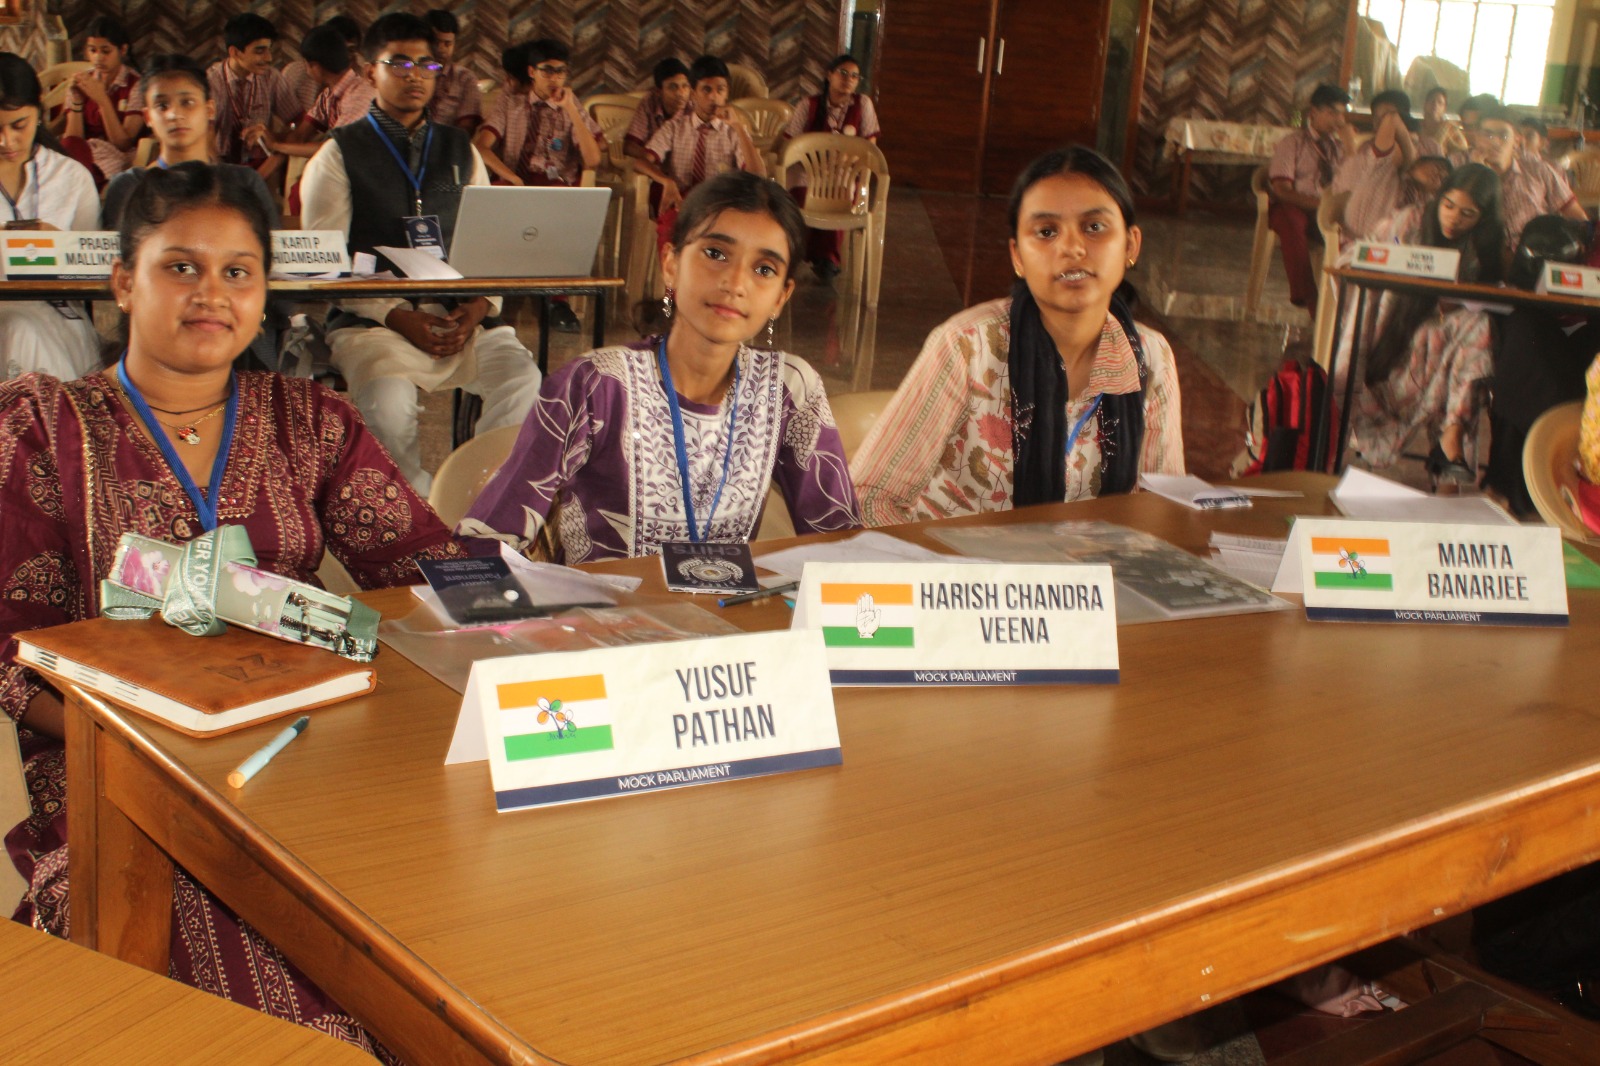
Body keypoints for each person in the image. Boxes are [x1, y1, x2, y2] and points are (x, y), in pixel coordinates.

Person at [0, 160, 465, 1056]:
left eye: (238, 271)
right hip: (123, 777)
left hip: (309, 760)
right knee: (285, 1003)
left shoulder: (308, 420)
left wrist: (535, 598)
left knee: (452, 936)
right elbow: (11, 648)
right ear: (122, 281)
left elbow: (421, 565)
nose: (211, 293)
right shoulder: (43, 428)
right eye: (180, 266)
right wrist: (155, 742)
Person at [460, 170, 861, 561]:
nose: (736, 283)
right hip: (599, 606)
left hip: (729, 606)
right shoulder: (596, 387)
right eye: (716, 254)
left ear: (781, 297)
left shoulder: (789, 390)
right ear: (671, 263)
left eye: (764, 269)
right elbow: (486, 543)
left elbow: (843, 545)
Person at [850, 146, 1185, 525]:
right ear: (1018, 257)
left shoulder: (1149, 357)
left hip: (1089, 562)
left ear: (1130, 245)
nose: (1072, 248)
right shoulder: (969, 347)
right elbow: (869, 497)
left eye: (1094, 227)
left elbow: (1163, 506)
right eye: (1046, 232)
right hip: (954, 559)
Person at [301, 12, 543, 495]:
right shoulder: (339, 152)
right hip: (377, 324)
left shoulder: (460, 149)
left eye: (428, 65)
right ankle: (417, 511)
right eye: (400, 63)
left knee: (523, 382)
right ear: (370, 72)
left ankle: (479, 499)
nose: (415, 76)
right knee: (388, 405)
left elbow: (489, 244)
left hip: (459, 318)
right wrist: (394, 315)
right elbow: (323, 264)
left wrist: (479, 308)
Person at [1339, 164, 1507, 481]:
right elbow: (1359, 257)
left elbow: (1490, 296)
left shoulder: (1482, 246)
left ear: (1483, 218)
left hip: (1447, 344)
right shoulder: (1410, 222)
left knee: (1477, 328)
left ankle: (1452, 433)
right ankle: (1451, 451)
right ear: (1439, 197)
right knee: (1467, 347)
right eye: (1448, 205)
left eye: (1467, 214)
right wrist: (1394, 264)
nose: (1453, 219)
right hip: (1396, 341)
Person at [0, 53, 102, 382]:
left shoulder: (70, 177)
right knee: (17, 326)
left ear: (40, 109)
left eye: (19, 125)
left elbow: (97, 262)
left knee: (22, 329)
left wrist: (60, 246)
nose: (6, 141)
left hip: (58, 316)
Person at [638, 55, 766, 250]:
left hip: (720, 205)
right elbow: (640, 162)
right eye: (706, 90)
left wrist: (739, 127)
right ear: (693, 93)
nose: (713, 97)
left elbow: (758, 175)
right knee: (672, 231)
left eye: (720, 90)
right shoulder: (675, 127)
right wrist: (667, 181)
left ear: (727, 94)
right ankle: (673, 270)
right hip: (684, 203)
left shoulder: (733, 131)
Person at [779, 53, 881, 280]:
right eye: (843, 73)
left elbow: (870, 147)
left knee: (838, 196)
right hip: (808, 169)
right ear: (829, 75)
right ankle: (795, 253)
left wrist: (848, 161)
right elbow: (790, 144)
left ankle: (827, 258)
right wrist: (813, 161)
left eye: (854, 76)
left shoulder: (863, 104)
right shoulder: (809, 104)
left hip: (846, 171)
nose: (848, 79)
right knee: (801, 195)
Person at [1268, 84, 1353, 317]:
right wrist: (1320, 206)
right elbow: (1282, 190)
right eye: (1332, 113)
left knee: (1352, 229)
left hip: (1327, 213)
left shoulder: (1339, 148)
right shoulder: (1293, 142)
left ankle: (1346, 305)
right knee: (1291, 219)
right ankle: (1308, 296)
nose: (1338, 120)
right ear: (1313, 112)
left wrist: (1350, 147)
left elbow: (1355, 186)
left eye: (1342, 114)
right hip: (1294, 206)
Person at [245, 25, 376, 160]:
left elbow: (334, 149)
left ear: (314, 66)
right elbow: (299, 135)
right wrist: (267, 137)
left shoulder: (360, 97)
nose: (306, 71)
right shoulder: (328, 96)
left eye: (306, 64)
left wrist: (276, 145)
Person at [1469, 104, 1585, 255]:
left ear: (1517, 140)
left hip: (1538, 254)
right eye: (1488, 135)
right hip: (1484, 257)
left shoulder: (1539, 171)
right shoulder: (1463, 172)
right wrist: (1479, 175)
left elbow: (1578, 218)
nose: (1495, 142)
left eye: (1504, 136)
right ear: (1477, 138)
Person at [1332, 90, 1443, 241]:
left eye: (1414, 143)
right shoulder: (1379, 163)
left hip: (1394, 245)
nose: (1380, 126)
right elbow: (1392, 119)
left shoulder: (1420, 175)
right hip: (1362, 245)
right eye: (1378, 120)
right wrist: (1411, 157)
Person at [206, 12, 302, 181]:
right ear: (235, 52)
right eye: (260, 51)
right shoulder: (210, 81)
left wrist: (275, 141)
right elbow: (203, 138)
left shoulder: (271, 77)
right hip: (219, 167)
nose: (269, 58)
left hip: (262, 167)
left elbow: (300, 125)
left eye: (269, 50)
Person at [56, 15, 142, 188]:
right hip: (83, 151)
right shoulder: (84, 81)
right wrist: (77, 101)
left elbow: (123, 144)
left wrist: (102, 100)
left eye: (105, 51)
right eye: (93, 51)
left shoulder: (136, 85)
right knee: (66, 156)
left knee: (78, 178)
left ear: (122, 50)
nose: (98, 58)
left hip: (115, 155)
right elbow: (74, 138)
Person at [281, 15, 361, 116]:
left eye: (351, 50)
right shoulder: (296, 72)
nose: (344, 56)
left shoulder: (357, 84)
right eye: (338, 49)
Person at [624, 57, 691, 167]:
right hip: (654, 167)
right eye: (673, 87)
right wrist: (654, 156)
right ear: (658, 91)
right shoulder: (649, 102)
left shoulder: (695, 106)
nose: (681, 93)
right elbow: (629, 146)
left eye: (685, 86)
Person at [426, 9, 482, 133]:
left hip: (449, 141)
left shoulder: (465, 78)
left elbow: (466, 128)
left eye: (447, 44)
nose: (441, 49)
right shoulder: (413, 74)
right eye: (436, 42)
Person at [1419, 86, 1468, 158]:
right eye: (1432, 101)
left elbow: (1464, 151)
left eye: (1440, 102)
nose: (1435, 105)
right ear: (1425, 104)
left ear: (1444, 109)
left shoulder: (1451, 130)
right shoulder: (1416, 126)